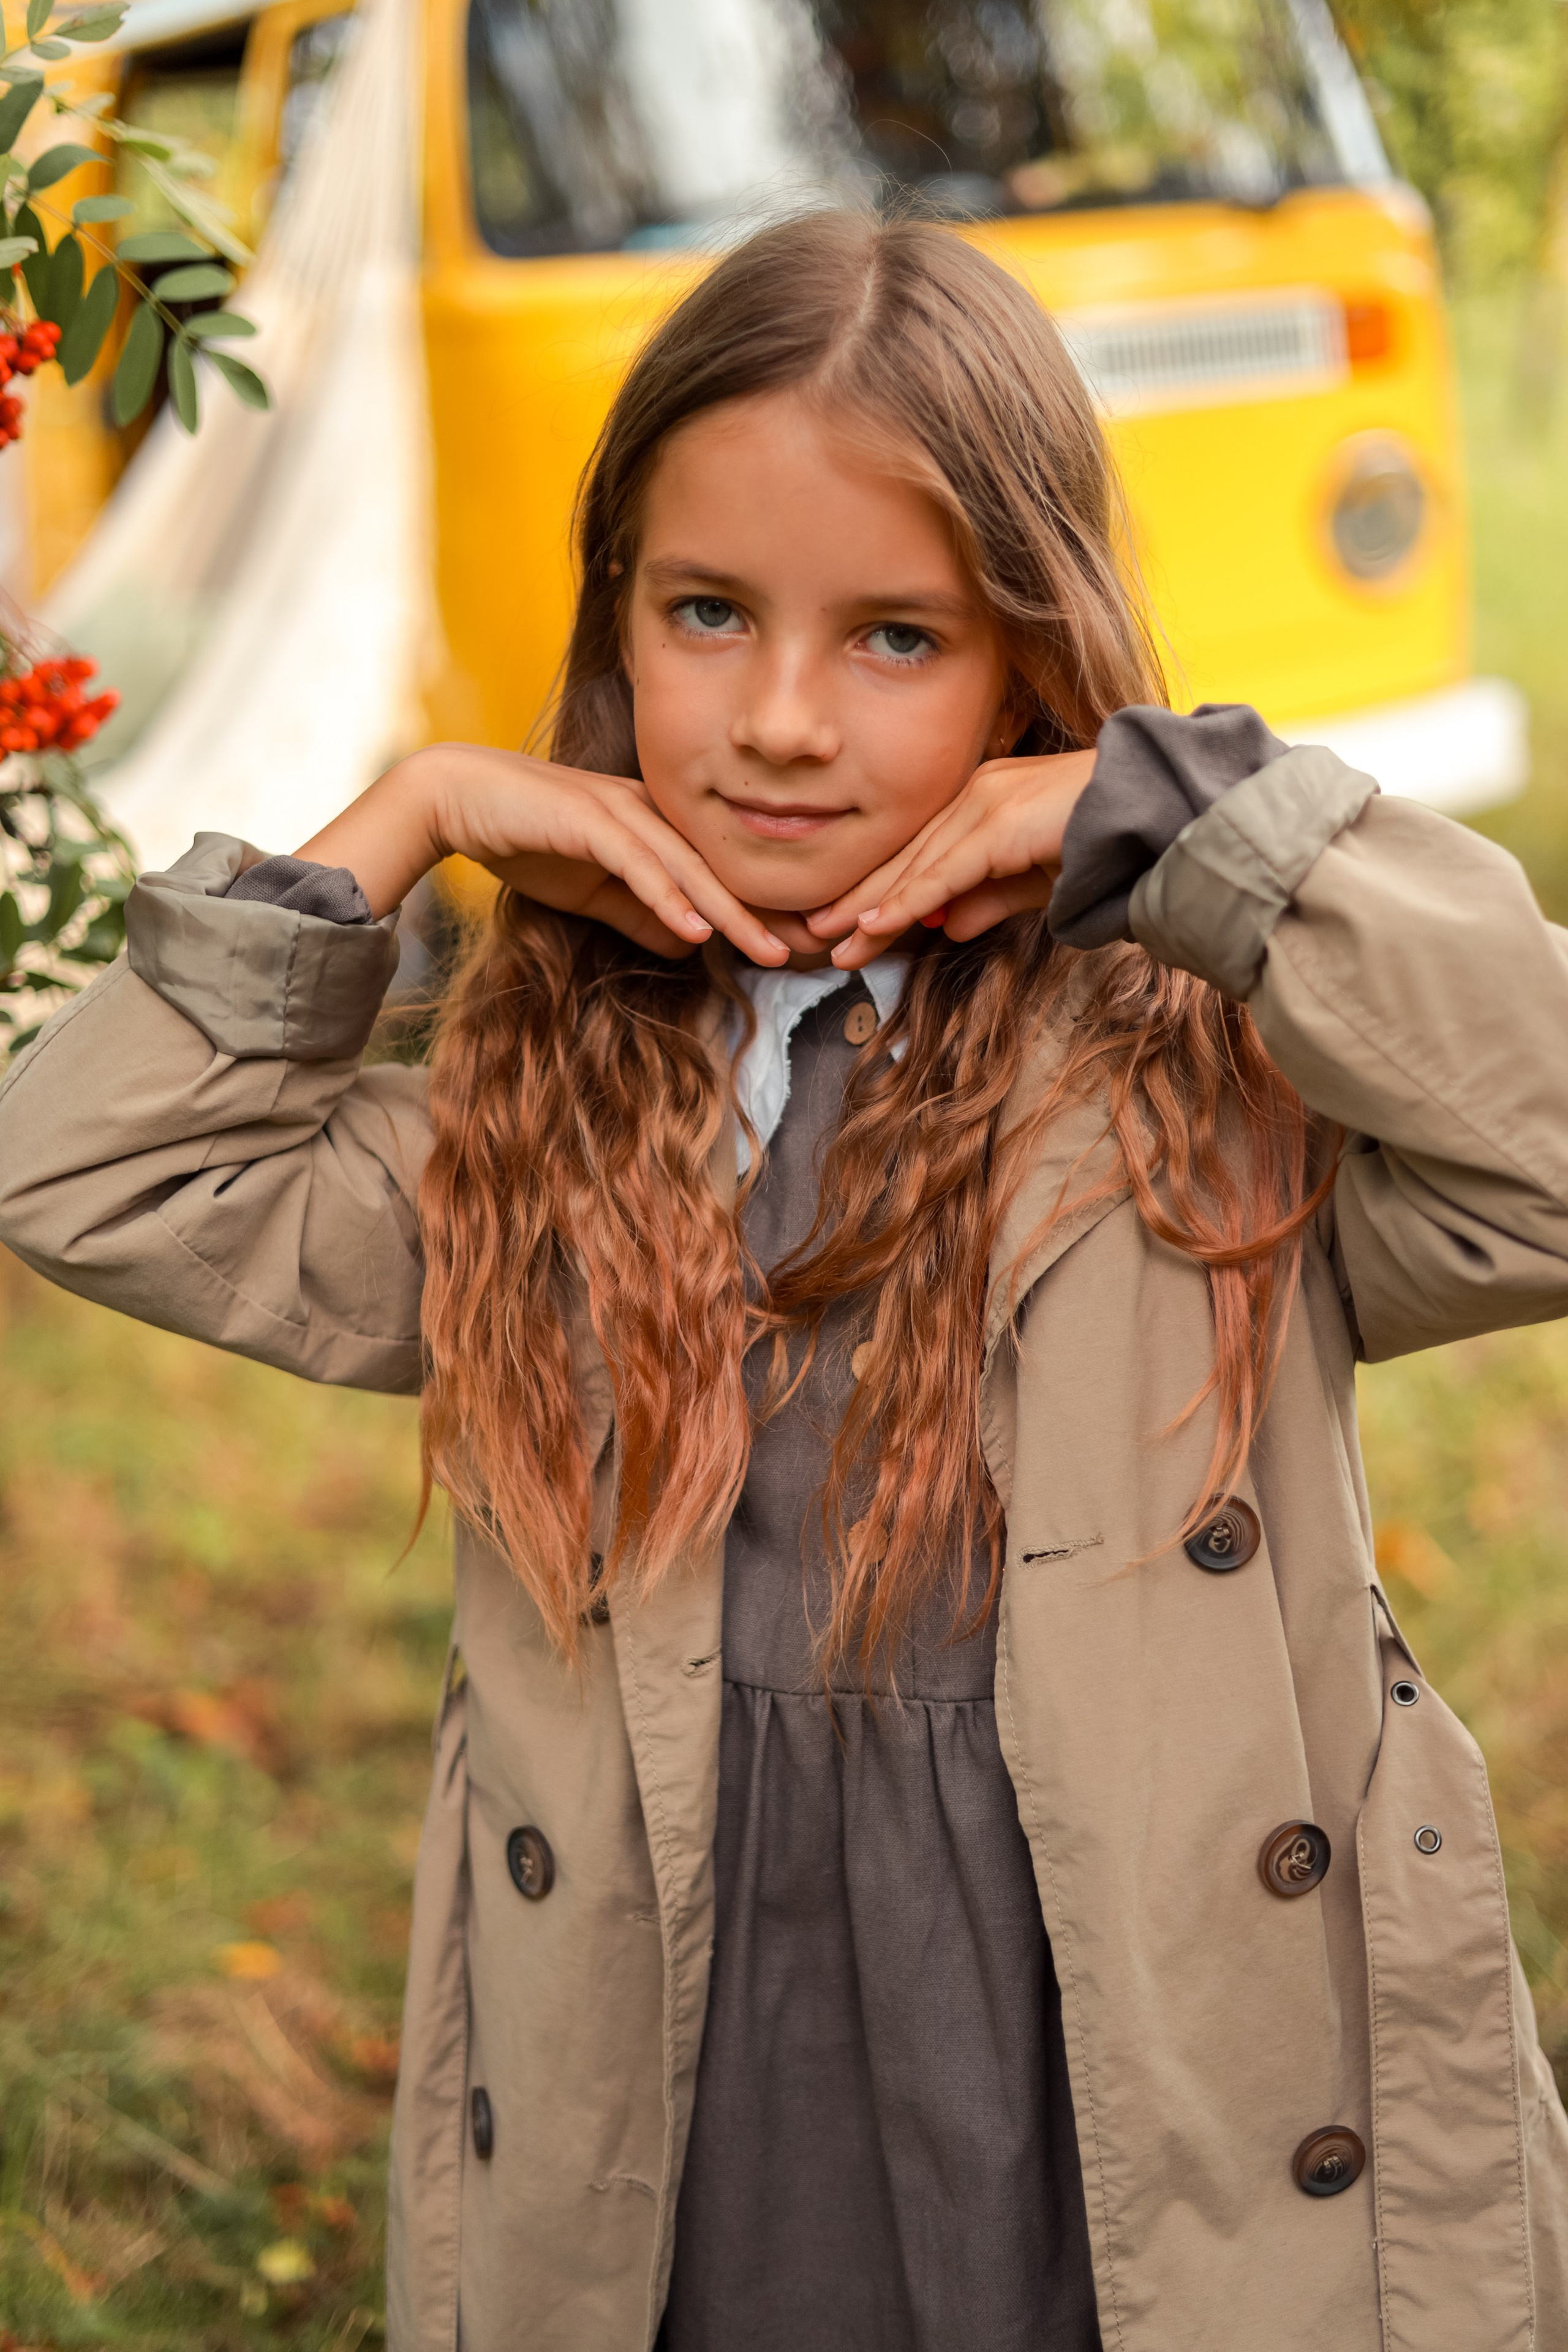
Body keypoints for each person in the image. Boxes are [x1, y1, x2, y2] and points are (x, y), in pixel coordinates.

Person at [2, 209, 1567, 2352]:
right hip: (694, 2079)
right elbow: (82, 1164)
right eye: (709, 614)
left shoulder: (1204, 1087)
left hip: (1126, 2089)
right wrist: (418, 809)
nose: (780, 725)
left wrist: (1193, 829)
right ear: (615, 621)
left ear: (1032, 656)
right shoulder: (544, 1112)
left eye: (898, 639)